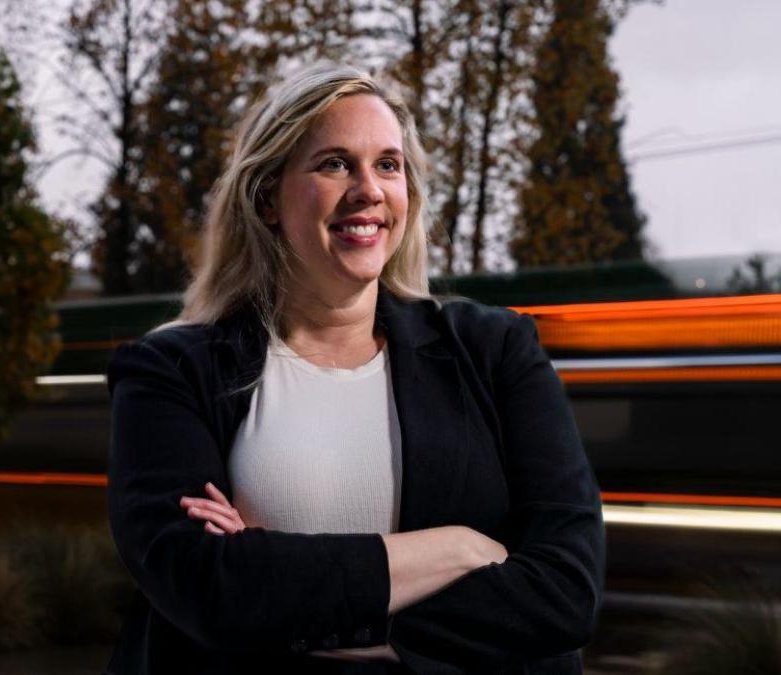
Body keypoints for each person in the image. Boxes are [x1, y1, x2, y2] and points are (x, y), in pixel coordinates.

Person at [104, 62, 605, 675]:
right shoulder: (171, 371)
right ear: (266, 198)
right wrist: (458, 549)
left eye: (388, 165)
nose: (369, 189)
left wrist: (290, 597)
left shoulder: (495, 350)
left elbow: (566, 589)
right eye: (335, 164)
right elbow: (209, 589)